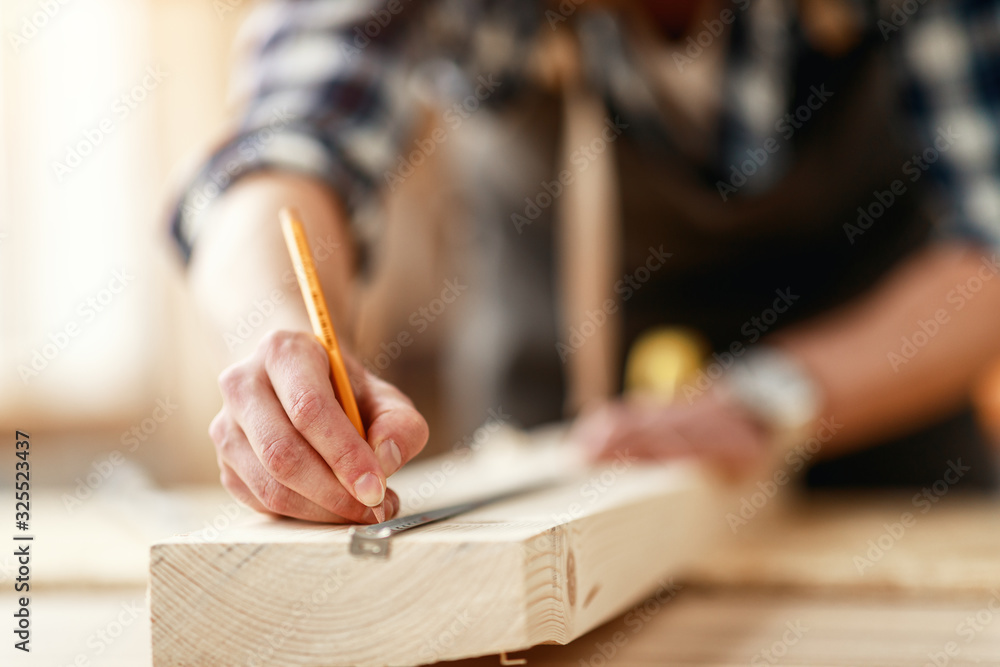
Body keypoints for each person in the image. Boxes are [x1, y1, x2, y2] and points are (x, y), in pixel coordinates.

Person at [169, 0, 1000, 523]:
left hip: (891, 470)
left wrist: (772, 395)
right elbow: (280, 151)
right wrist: (274, 332)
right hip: (561, 468)